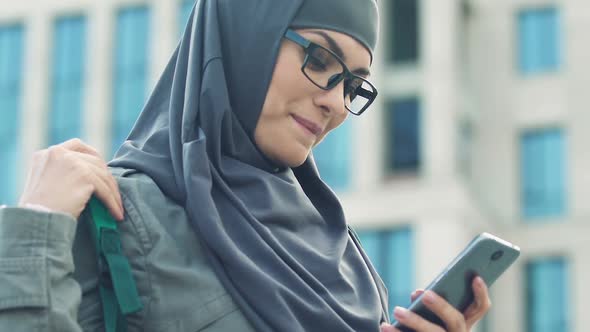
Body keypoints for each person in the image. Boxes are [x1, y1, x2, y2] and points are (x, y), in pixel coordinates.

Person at [0, 0, 491, 331]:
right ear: (245, 39)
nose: (337, 104)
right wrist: (36, 230)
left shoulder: (345, 263)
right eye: (320, 59)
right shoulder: (122, 216)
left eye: (353, 86)